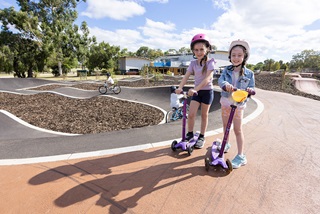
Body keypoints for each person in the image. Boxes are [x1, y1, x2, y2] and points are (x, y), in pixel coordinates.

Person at [218, 39, 255, 169]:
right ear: (230, 56)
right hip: (226, 102)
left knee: (237, 129)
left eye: (239, 55)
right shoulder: (226, 70)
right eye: (233, 55)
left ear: (244, 57)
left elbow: (251, 87)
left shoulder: (249, 73)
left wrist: (250, 91)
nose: (236, 58)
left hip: (238, 104)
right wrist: (225, 85)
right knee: (225, 125)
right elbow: (221, 80)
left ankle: (241, 156)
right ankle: (226, 143)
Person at [175, 33, 215, 149]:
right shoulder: (193, 63)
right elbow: (186, 76)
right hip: (196, 92)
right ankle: (190, 133)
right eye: (196, 50)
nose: (199, 52)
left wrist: (195, 89)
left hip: (207, 92)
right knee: (191, 114)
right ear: (193, 51)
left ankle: (202, 136)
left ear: (207, 49)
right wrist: (180, 87)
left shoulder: (210, 62)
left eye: (201, 49)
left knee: (204, 115)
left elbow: (208, 79)